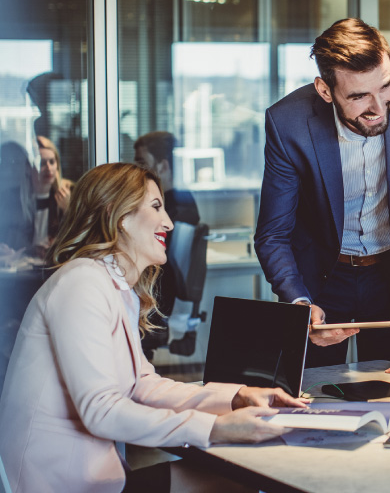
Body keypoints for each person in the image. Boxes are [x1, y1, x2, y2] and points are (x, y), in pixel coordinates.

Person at [0, 163, 305, 493]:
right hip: (58, 485)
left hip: (95, 478)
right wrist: (214, 428)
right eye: (156, 207)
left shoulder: (115, 288)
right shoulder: (81, 283)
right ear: (118, 215)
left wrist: (237, 397)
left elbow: (144, 386)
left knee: (233, 482)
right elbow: (100, 411)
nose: (169, 223)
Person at [254, 18, 390, 371]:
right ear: (325, 91)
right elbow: (273, 234)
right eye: (360, 96)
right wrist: (300, 304)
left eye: (386, 86)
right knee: (311, 398)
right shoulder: (288, 123)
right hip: (320, 280)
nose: (379, 107)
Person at [134, 131, 200, 357]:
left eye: (142, 163)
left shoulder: (176, 212)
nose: (136, 172)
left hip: (158, 304)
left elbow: (161, 268)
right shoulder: (180, 201)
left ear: (162, 166)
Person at [32, 136, 73, 255]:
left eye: (52, 162)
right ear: (30, 167)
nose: (49, 168)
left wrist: (68, 210)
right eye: (42, 163)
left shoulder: (68, 192)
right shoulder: (18, 199)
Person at [0, 141, 34, 251]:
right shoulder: (5, 197)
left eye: (16, 162)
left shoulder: (34, 195)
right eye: (5, 162)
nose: (10, 168)